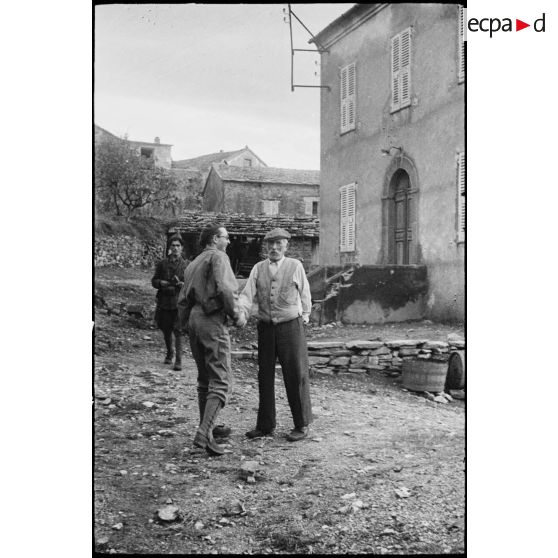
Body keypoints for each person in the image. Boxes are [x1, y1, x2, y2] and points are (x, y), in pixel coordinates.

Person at [237, 228, 313, 442]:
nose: (274, 247)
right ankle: (265, 425)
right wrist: (241, 312)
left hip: (291, 327)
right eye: (270, 244)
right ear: (265, 246)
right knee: (265, 375)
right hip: (266, 328)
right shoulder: (258, 268)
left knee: (295, 374)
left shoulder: (295, 266)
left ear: (286, 245)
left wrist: (304, 316)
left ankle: (301, 424)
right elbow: (246, 295)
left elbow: (305, 294)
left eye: (279, 243)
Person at [177, 224, 241, 456]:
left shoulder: (193, 263)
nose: (229, 241)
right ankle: (203, 433)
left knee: (205, 380)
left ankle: (209, 434)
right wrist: (236, 314)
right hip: (212, 319)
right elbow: (226, 289)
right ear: (215, 239)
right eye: (226, 237)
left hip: (194, 319)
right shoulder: (219, 257)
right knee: (222, 380)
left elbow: (182, 299)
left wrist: (187, 324)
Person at [151, 234, 188, 371]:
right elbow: (154, 281)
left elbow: (191, 284)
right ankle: (169, 353)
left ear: (182, 248)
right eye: (173, 245)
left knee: (178, 331)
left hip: (179, 302)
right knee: (166, 329)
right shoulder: (162, 264)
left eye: (178, 246)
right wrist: (161, 282)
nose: (175, 248)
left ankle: (178, 360)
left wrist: (182, 284)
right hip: (164, 302)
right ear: (169, 247)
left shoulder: (187, 265)